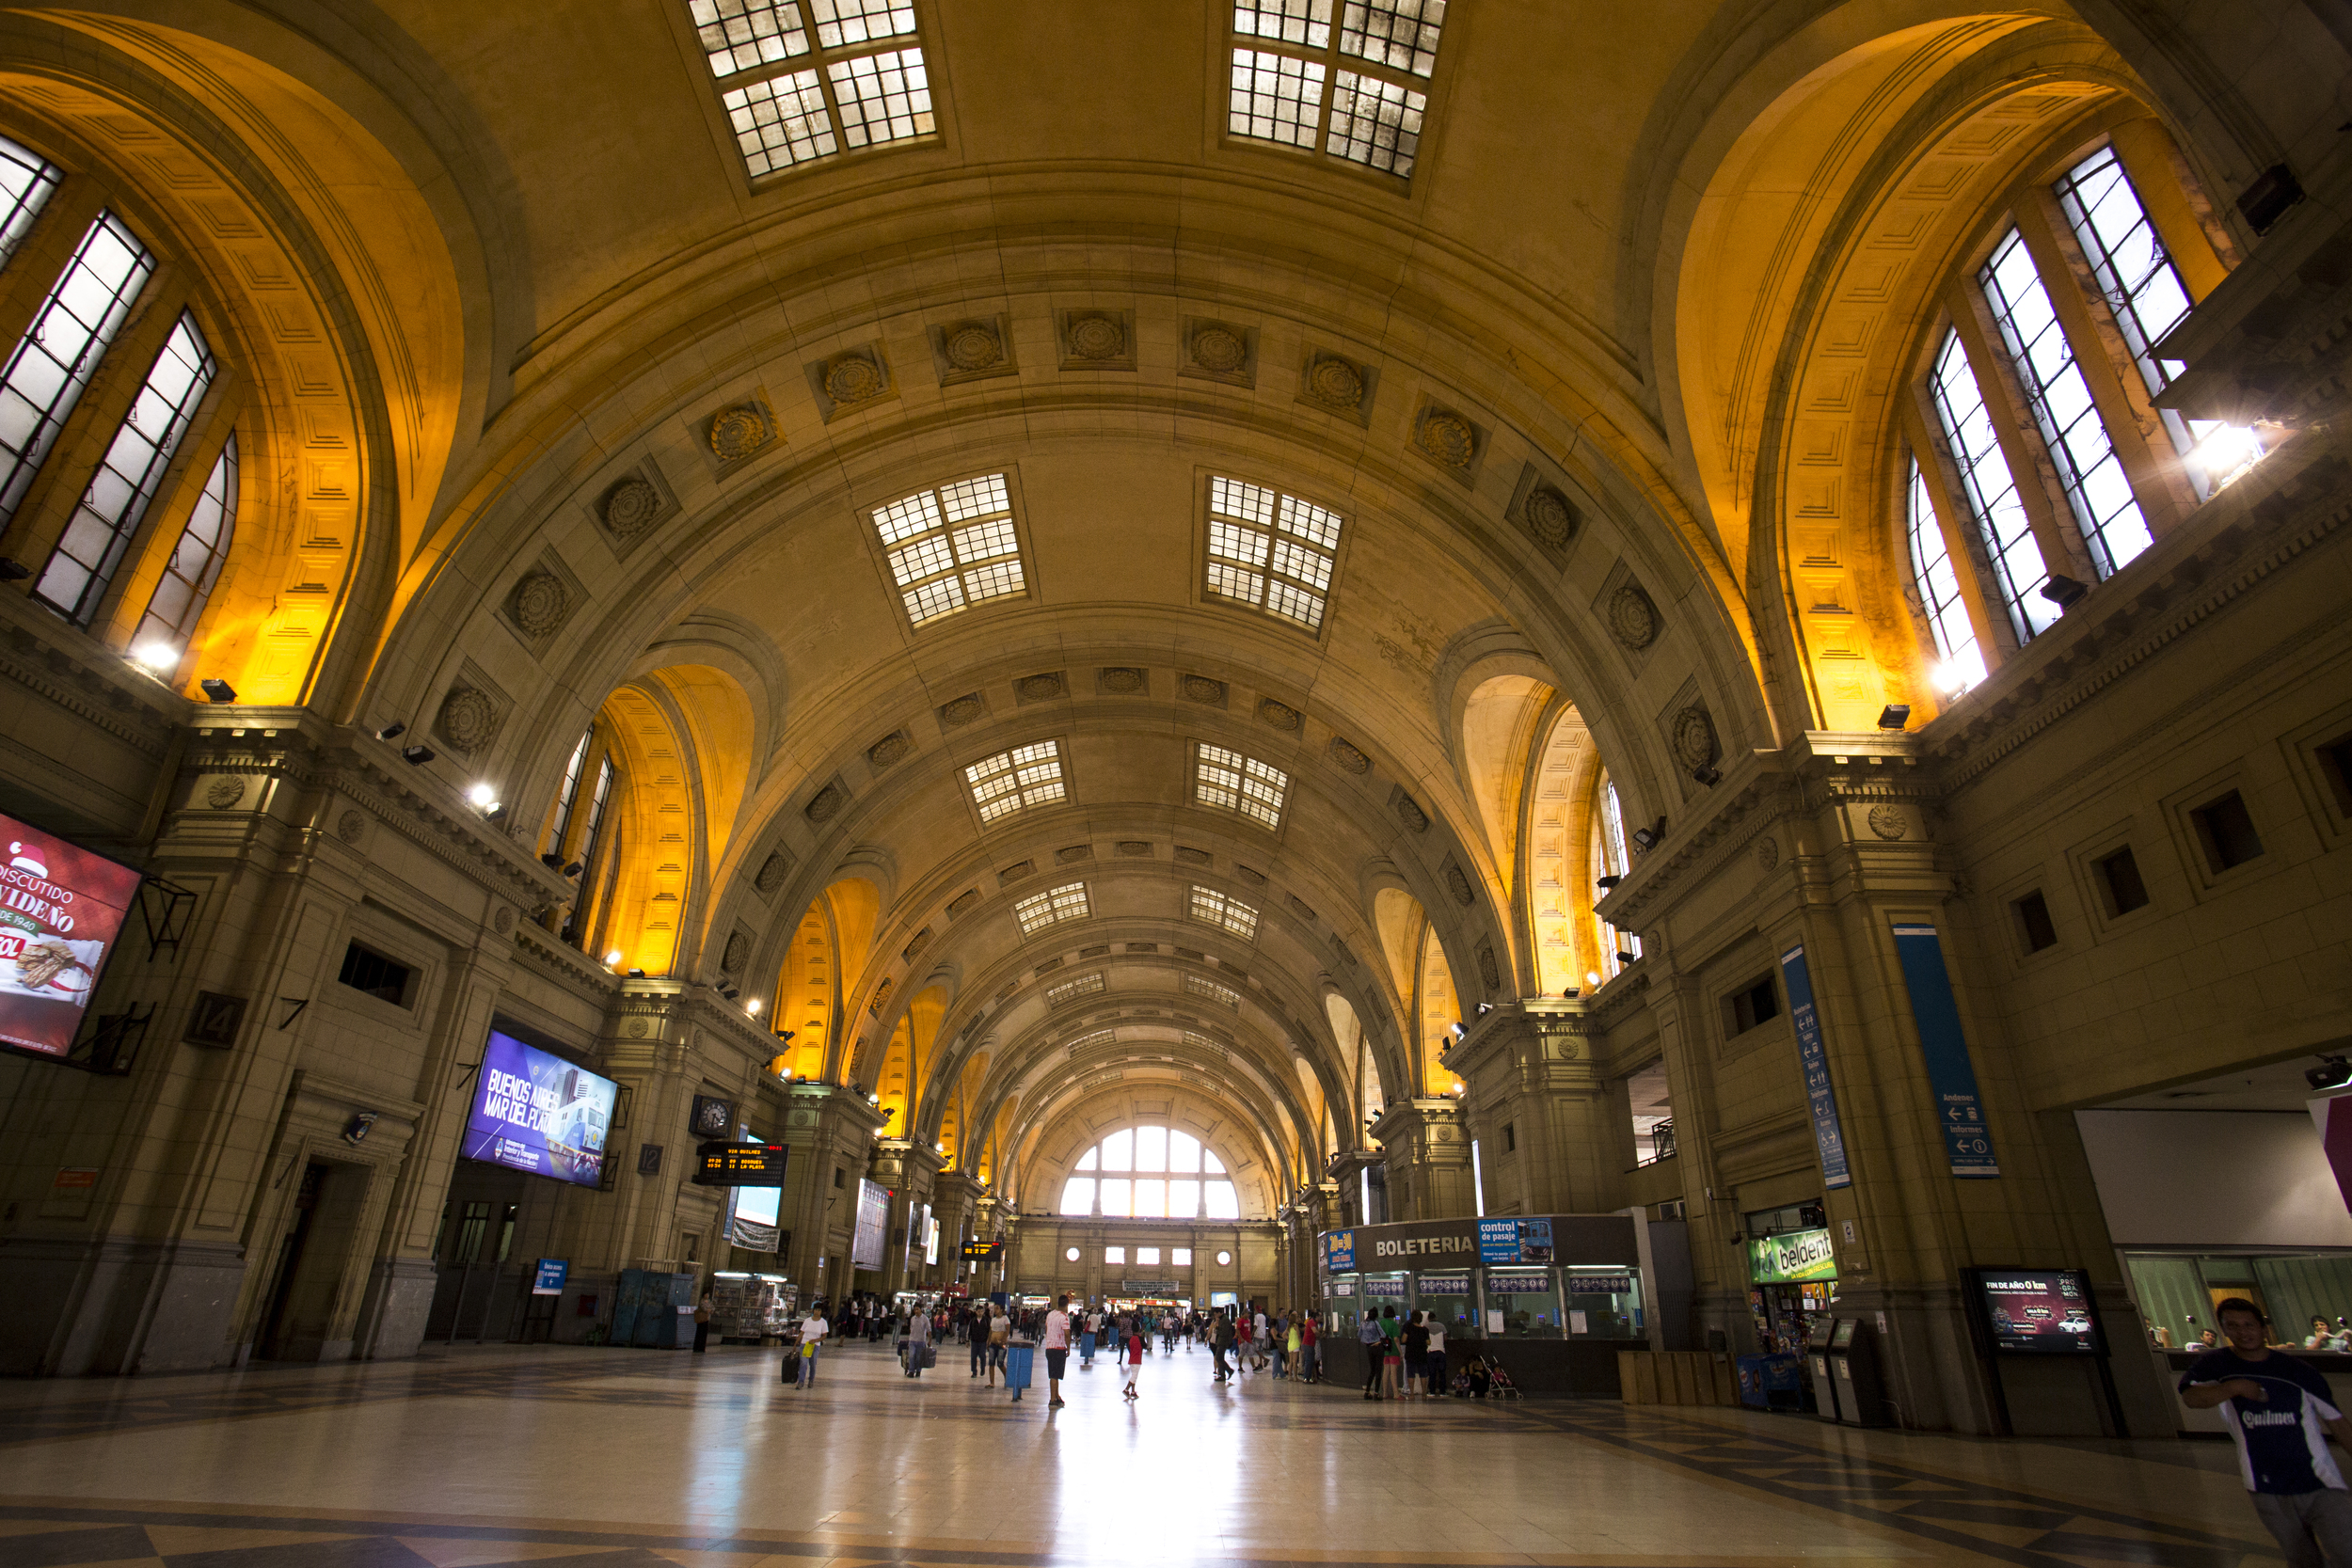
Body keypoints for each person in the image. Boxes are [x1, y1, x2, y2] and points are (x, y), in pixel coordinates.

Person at [2181, 1297, 2352, 1568]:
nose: (2243, 1332)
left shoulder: (2297, 1370)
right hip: (2266, 1486)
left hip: (2320, 1482)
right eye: (2233, 1326)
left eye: (2249, 1325)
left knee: (2346, 1551)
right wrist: (2233, 1387)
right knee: (2302, 1559)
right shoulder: (2216, 1364)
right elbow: (2191, 1397)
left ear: (2263, 1329)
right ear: (2223, 1329)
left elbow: (2338, 1422)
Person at [1041, 1293, 1071, 1407]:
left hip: (1049, 1348)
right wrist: (1068, 1347)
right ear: (1066, 1305)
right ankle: (1052, 1399)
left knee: (1055, 1374)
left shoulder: (1050, 1315)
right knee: (1054, 1375)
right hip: (1059, 1348)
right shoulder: (1064, 1317)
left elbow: (1047, 1328)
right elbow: (1067, 1333)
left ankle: (1057, 1395)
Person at [795, 1303, 828, 1389]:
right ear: (813, 1310)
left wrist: (815, 1340)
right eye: (816, 1310)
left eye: (819, 1310)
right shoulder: (807, 1320)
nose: (817, 1312)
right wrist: (796, 1344)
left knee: (812, 1364)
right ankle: (801, 1382)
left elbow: (824, 1336)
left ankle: (811, 1380)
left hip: (815, 1346)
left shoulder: (823, 1322)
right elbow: (802, 1332)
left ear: (821, 1312)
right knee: (803, 1363)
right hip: (805, 1344)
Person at [1360, 1311, 1388, 1400]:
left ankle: (1367, 1391)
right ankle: (1376, 1393)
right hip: (1378, 1347)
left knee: (1372, 1370)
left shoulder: (1363, 1323)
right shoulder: (1375, 1323)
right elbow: (1383, 1334)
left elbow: (1359, 1335)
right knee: (1378, 1370)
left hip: (1369, 1348)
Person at [1404, 1310, 1430, 1398]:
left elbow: (1403, 1340)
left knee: (1411, 1373)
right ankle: (1424, 1393)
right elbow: (1428, 1342)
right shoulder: (1425, 1330)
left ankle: (1411, 1393)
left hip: (1410, 1353)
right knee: (1423, 1374)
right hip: (1422, 1354)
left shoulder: (1409, 1328)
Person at [904, 1300, 930, 1379]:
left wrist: (930, 1340)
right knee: (911, 1356)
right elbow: (911, 1329)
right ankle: (911, 1371)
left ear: (921, 1309)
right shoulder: (912, 1318)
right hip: (912, 1340)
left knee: (919, 1357)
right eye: (915, 1310)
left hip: (921, 1341)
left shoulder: (925, 1319)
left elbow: (929, 1330)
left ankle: (918, 1370)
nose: (916, 1311)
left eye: (917, 1309)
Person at [1425, 1310, 1447, 1397]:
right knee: (1442, 1372)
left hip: (1430, 1351)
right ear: (1435, 1318)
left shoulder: (1426, 1327)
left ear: (1428, 1319)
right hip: (1441, 1351)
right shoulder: (1442, 1326)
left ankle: (1432, 1391)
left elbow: (1425, 1340)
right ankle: (1443, 1392)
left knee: (1432, 1372)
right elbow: (1445, 1338)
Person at [1122, 1323, 1144, 1402]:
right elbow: (1145, 1345)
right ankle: (1126, 1389)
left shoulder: (1131, 1339)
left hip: (1131, 1359)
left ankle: (1133, 1391)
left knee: (1134, 1375)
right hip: (1137, 1360)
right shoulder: (1140, 1338)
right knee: (1134, 1376)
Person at [1299, 1313, 1319, 1384]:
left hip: (1310, 1344)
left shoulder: (1315, 1322)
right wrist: (1320, 1334)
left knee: (1311, 1361)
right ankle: (1306, 1378)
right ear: (1316, 1317)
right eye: (1320, 1316)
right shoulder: (1311, 1322)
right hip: (1308, 1344)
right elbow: (1315, 1331)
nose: (1321, 1318)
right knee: (1308, 1361)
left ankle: (1310, 1377)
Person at [692, 1290, 712, 1354]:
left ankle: (702, 1347)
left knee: (704, 1333)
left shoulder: (709, 1301)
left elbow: (712, 1308)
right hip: (701, 1318)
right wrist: (708, 1310)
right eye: (706, 1294)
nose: (707, 1296)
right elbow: (704, 1308)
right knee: (700, 1333)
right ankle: (697, 1347)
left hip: (706, 1318)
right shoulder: (702, 1301)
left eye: (708, 1295)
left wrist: (710, 1310)